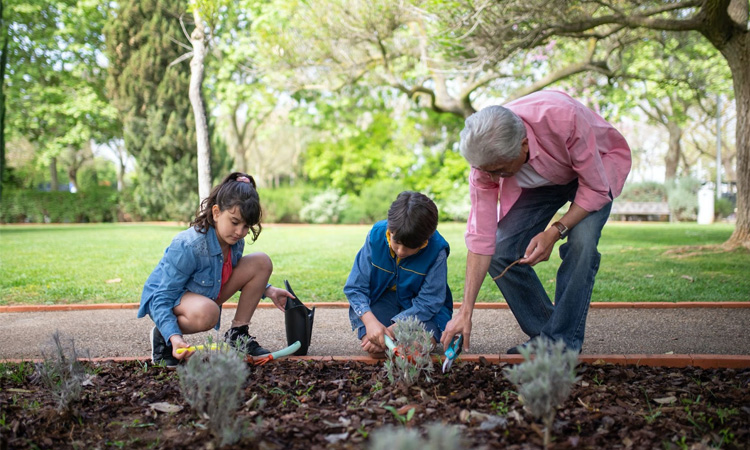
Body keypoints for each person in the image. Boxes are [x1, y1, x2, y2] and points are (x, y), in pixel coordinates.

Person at [440, 90, 631, 355]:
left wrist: (555, 231)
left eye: (500, 171)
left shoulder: (562, 117)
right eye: (488, 171)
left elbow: (596, 189)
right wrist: (465, 311)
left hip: (595, 169)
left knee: (582, 244)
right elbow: (481, 237)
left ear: (524, 145)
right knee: (500, 248)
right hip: (544, 181)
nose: (492, 177)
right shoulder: (486, 162)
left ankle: (561, 345)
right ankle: (549, 337)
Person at [138, 172, 293, 367]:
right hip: (168, 297)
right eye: (235, 222)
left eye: (246, 226)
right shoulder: (188, 245)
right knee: (209, 313)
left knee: (261, 261)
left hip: (205, 292)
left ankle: (238, 336)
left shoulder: (234, 242)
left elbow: (228, 272)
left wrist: (268, 290)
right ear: (216, 212)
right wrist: (174, 337)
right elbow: (162, 297)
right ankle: (163, 336)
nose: (240, 232)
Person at [344, 191, 453, 357]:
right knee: (378, 350)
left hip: (422, 310)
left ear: (426, 239)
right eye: (397, 242)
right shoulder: (376, 236)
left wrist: (391, 330)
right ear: (390, 229)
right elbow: (355, 287)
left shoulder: (437, 250)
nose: (401, 251)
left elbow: (429, 301)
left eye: (411, 247)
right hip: (383, 300)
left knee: (414, 350)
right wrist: (371, 323)